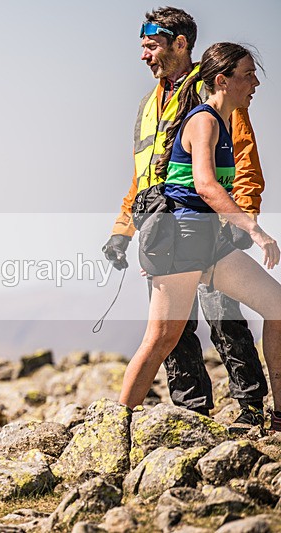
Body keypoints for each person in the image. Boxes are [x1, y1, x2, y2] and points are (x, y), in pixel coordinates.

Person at [102, 7, 268, 433]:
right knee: (173, 330)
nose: (144, 56)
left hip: (210, 227)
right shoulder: (147, 105)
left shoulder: (213, 88)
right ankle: (192, 414)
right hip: (161, 229)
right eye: (142, 47)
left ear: (181, 44)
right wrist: (122, 230)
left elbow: (243, 158)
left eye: (152, 45)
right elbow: (143, 174)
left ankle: (250, 408)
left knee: (223, 318)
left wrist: (243, 218)